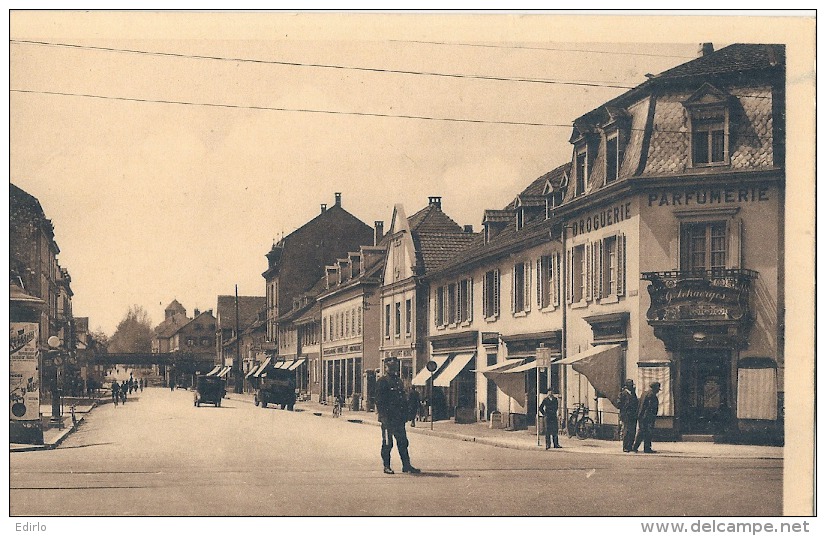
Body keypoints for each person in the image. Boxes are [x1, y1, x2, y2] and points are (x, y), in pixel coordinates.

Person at [375, 358, 420, 475]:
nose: (393, 369)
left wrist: (406, 415)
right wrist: (383, 417)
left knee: (403, 442)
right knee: (387, 443)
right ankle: (387, 466)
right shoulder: (382, 381)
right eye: (390, 367)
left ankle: (406, 465)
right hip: (388, 419)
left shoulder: (399, 381)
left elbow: (403, 400)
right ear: (385, 368)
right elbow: (379, 401)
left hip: (398, 419)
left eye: (394, 367)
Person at [633, 381, 661, 453]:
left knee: (642, 432)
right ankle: (646, 448)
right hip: (647, 417)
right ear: (655, 388)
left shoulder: (644, 393)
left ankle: (636, 447)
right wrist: (649, 418)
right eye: (658, 388)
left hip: (641, 416)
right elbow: (649, 408)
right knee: (647, 432)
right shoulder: (651, 395)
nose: (658, 390)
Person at [617, 379, 639, 453]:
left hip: (633, 415)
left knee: (633, 431)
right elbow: (619, 404)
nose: (632, 386)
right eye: (631, 385)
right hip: (626, 415)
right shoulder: (622, 394)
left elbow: (636, 402)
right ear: (627, 386)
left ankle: (630, 446)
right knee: (627, 431)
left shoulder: (633, 393)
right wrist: (625, 408)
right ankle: (625, 447)